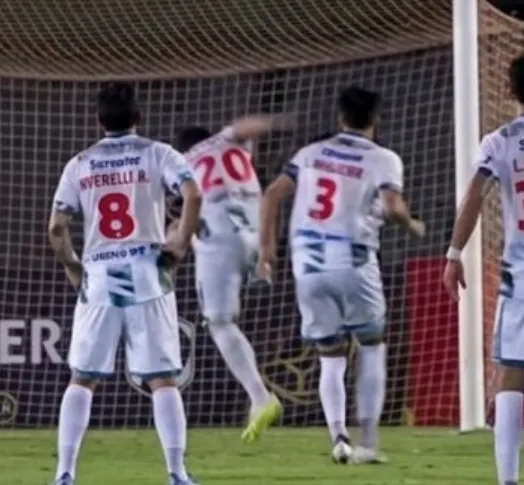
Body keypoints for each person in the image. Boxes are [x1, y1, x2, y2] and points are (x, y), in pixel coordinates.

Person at [258, 87, 425, 464]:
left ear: (340, 117)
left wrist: (267, 251)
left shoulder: (310, 153)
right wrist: (413, 226)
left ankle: (338, 437)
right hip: (353, 262)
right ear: (375, 119)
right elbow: (392, 207)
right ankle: (368, 442)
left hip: (307, 264)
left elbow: (270, 196)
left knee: (330, 356)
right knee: (371, 345)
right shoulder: (383, 158)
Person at [48, 82, 203, 485]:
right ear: (138, 117)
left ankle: (65, 473)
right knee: (162, 379)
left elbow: (57, 227)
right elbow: (193, 195)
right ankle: (177, 473)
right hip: (147, 273)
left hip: (99, 275)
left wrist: (73, 267)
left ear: (98, 120)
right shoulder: (158, 153)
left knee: (83, 378)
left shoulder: (80, 163)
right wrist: (179, 245)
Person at [173, 115, 289, 442]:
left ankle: (260, 397)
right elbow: (245, 127)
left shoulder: (183, 162)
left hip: (220, 242)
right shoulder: (226, 140)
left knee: (220, 323)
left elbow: (191, 209)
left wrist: (177, 240)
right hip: (257, 237)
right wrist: (278, 123)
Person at [443, 54, 524, 485]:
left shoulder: (500, 141)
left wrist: (454, 253)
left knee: (512, 370)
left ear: (510, 91)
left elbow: (475, 195)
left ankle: (507, 480)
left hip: (521, 269)